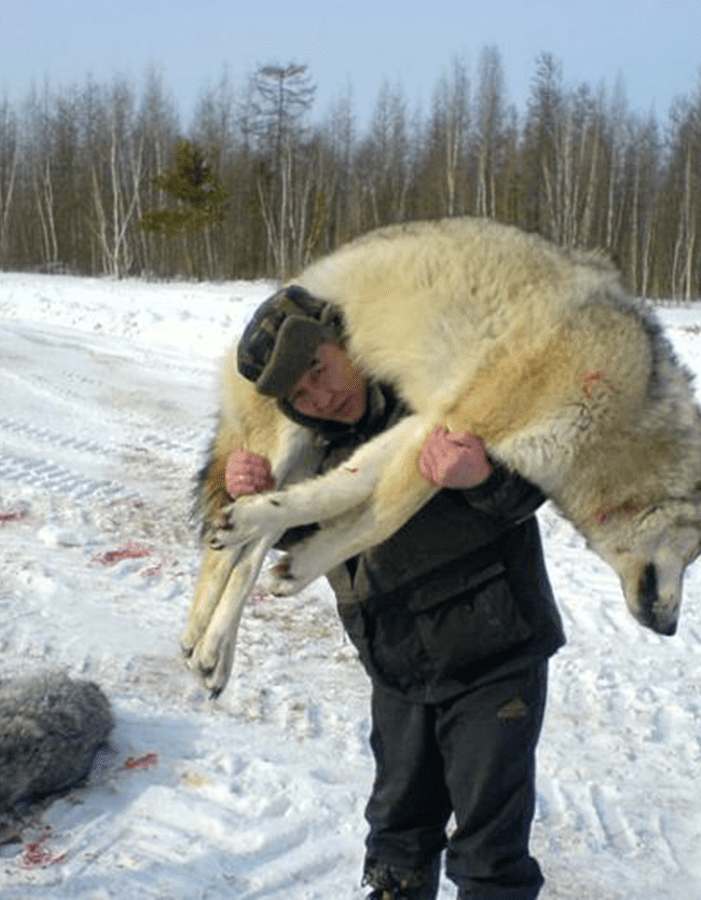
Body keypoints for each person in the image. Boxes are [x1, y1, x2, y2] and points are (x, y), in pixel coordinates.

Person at [228, 286, 566, 900]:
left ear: (343, 340)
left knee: (489, 849)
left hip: (494, 655)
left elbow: (534, 483)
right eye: (301, 396)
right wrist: (255, 495)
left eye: (320, 370)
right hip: (397, 664)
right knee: (397, 830)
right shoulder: (313, 449)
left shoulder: (441, 388)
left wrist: (480, 475)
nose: (322, 397)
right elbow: (305, 531)